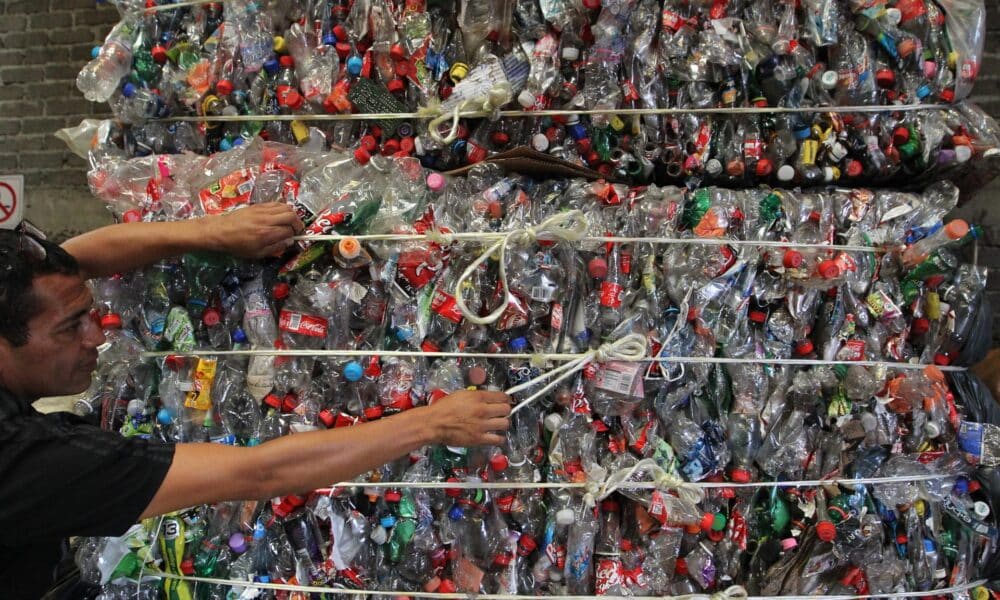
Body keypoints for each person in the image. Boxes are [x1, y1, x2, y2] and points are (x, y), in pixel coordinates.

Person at [0, 204, 512, 599]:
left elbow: (78, 258)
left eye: (90, 313)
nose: (98, 336)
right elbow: (257, 474)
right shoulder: (32, 462)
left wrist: (210, 232)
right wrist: (429, 425)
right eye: (72, 327)